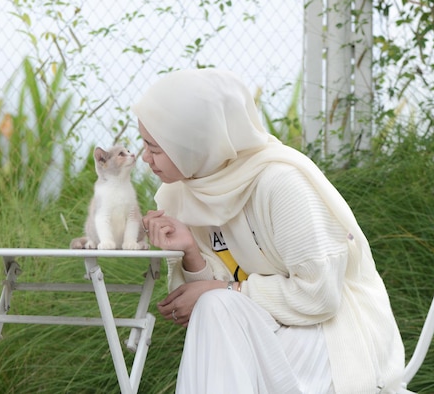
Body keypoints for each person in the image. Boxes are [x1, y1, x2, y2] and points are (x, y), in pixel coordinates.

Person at [134, 68, 404, 394]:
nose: (145, 158)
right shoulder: (186, 193)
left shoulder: (280, 183)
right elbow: (213, 302)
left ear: (195, 143)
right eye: (143, 144)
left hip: (330, 338)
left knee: (217, 307)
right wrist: (191, 252)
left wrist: (230, 293)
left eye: (156, 147)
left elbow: (320, 295)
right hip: (265, 332)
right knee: (215, 309)